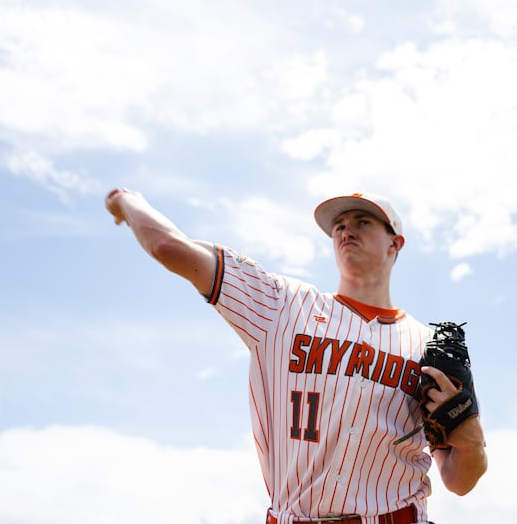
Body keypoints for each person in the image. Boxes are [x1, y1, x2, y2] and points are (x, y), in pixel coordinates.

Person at [105, 188, 487, 524]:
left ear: (395, 243)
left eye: (363, 221)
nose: (346, 230)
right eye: (338, 226)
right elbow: (168, 246)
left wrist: (472, 444)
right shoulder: (281, 305)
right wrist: (128, 200)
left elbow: (459, 481)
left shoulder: (429, 347)